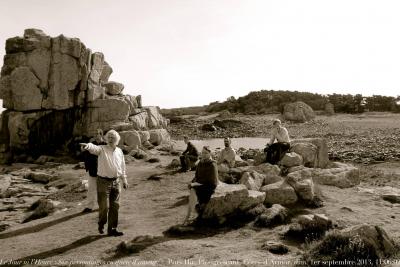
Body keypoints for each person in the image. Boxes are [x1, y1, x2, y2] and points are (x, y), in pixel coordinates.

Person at [80, 130, 129, 236]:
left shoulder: (119, 151)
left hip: (116, 182)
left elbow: (122, 166)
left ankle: (112, 229)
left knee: (115, 206)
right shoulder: (102, 149)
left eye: (113, 137)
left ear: (117, 139)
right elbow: (94, 148)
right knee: (104, 207)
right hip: (103, 182)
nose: (111, 139)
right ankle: (101, 223)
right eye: (109, 137)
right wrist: (88, 146)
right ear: (106, 139)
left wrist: (124, 179)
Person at [184, 146, 218, 225]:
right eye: (203, 153)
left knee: (193, 190)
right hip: (201, 184)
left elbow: (211, 180)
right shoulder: (200, 163)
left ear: (210, 154)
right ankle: (191, 214)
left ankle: (190, 215)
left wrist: (195, 184)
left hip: (209, 186)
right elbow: (196, 176)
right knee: (192, 189)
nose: (204, 154)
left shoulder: (212, 164)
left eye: (206, 153)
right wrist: (192, 182)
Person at [81, 129, 106, 213]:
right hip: (92, 170)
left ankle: (103, 206)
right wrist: (83, 150)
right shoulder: (91, 144)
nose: (95, 135)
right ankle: (89, 207)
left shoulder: (106, 145)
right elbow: (86, 156)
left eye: (97, 134)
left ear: (101, 134)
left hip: (103, 171)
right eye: (94, 134)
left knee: (103, 190)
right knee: (91, 189)